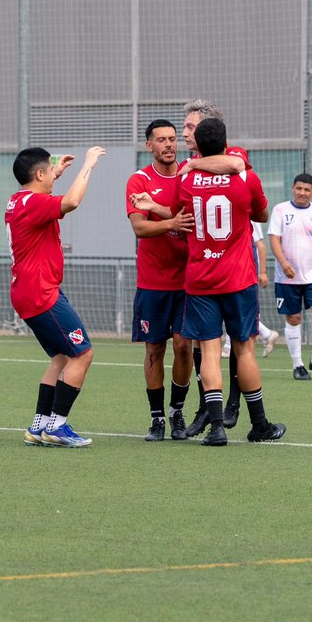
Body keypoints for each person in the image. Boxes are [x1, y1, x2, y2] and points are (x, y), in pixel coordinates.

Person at [176, 117, 285, 446]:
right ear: (226, 144)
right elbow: (262, 215)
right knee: (245, 350)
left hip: (200, 278)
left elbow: (178, 215)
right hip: (238, 277)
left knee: (209, 352)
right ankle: (260, 424)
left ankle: (217, 428)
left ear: (198, 145)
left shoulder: (186, 180)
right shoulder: (245, 177)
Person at [8, 145, 107, 448]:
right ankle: (58, 426)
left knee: (60, 357)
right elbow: (72, 201)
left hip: (27, 291)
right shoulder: (33, 203)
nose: (54, 174)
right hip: (41, 292)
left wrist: (56, 174)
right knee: (83, 353)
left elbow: (44, 198)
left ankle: (39, 426)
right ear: (39, 174)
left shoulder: (17, 200)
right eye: (50, 171)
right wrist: (87, 165)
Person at [126, 119, 196, 441]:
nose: (169, 144)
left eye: (172, 139)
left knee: (183, 347)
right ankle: (156, 419)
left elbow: (191, 223)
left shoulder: (190, 177)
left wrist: (165, 215)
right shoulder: (138, 181)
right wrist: (172, 220)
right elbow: (140, 228)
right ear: (149, 146)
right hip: (152, 283)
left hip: (188, 282)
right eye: (161, 140)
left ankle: (177, 413)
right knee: (154, 350)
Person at [269, 173, 312, 381]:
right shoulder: (280, 210)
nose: (302, 193)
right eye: (299, 188)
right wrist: (284, 263)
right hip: (287, 276)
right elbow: (274, 240)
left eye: (307, 190)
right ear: (293, 188)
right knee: (294, 318)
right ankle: (298, 365)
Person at [220, 219, 279, 427]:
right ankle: (212, 410)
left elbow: (260, 242)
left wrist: (262, 272)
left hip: (238, 276)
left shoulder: (246, 208)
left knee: (241, 344)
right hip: (217, 274)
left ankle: (231, 405)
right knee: (228, 344)